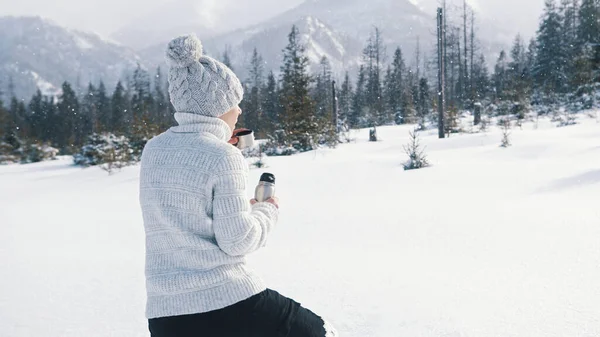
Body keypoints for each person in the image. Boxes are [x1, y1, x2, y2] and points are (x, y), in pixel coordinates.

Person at [139, 34, 338, 337]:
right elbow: (238, 240)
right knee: (315, 331)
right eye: (235, 102)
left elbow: (184, 212)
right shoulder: (224, 156)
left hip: (166, 317)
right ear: (217, 107)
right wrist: (265, 211)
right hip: (225, 301)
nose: (240, 111)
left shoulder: (153, 150)